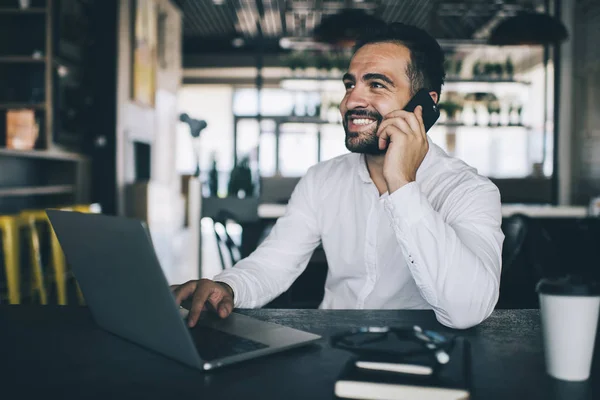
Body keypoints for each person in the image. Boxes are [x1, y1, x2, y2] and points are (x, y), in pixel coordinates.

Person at [172, 22, 504, 330]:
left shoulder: (470, 191)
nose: (350, 101)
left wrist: (403, 184)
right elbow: (275, 263)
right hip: (333, 343)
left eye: (376, 84)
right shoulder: (322, 180)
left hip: (423, 354)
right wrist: (227, 286)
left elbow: (467, 309)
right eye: (350, 84)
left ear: (424, 104)